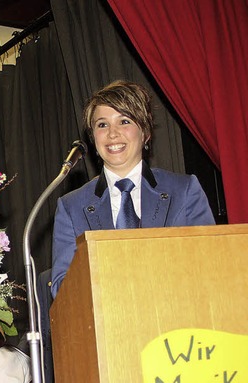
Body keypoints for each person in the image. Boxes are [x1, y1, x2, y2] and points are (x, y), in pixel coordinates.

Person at [50, 80, 215, 298]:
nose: (112, 133)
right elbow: (62, 288)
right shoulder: (71, 207)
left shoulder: (184, 191)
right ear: (93, 138)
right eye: (102, 124)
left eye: (124, 121)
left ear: (145, 133)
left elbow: (210, 262)